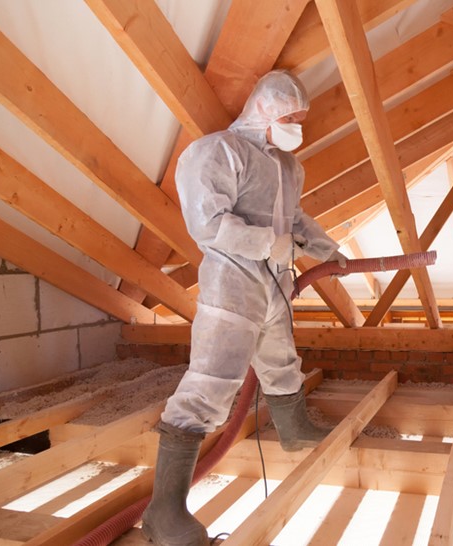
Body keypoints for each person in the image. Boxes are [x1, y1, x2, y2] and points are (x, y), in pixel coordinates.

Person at [141, 70, 346, 546]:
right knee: (211, 384)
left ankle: (295, 429)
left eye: (301, 119)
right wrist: (266, 243)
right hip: (232, 286)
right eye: (290, 117)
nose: (298, 126)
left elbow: (294, 220)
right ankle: (164, 511)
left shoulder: (289, 168)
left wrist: (326, 249)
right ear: (264, 111)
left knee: (280, 363)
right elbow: (207, 223)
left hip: (275, 284)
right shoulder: (219, 152)